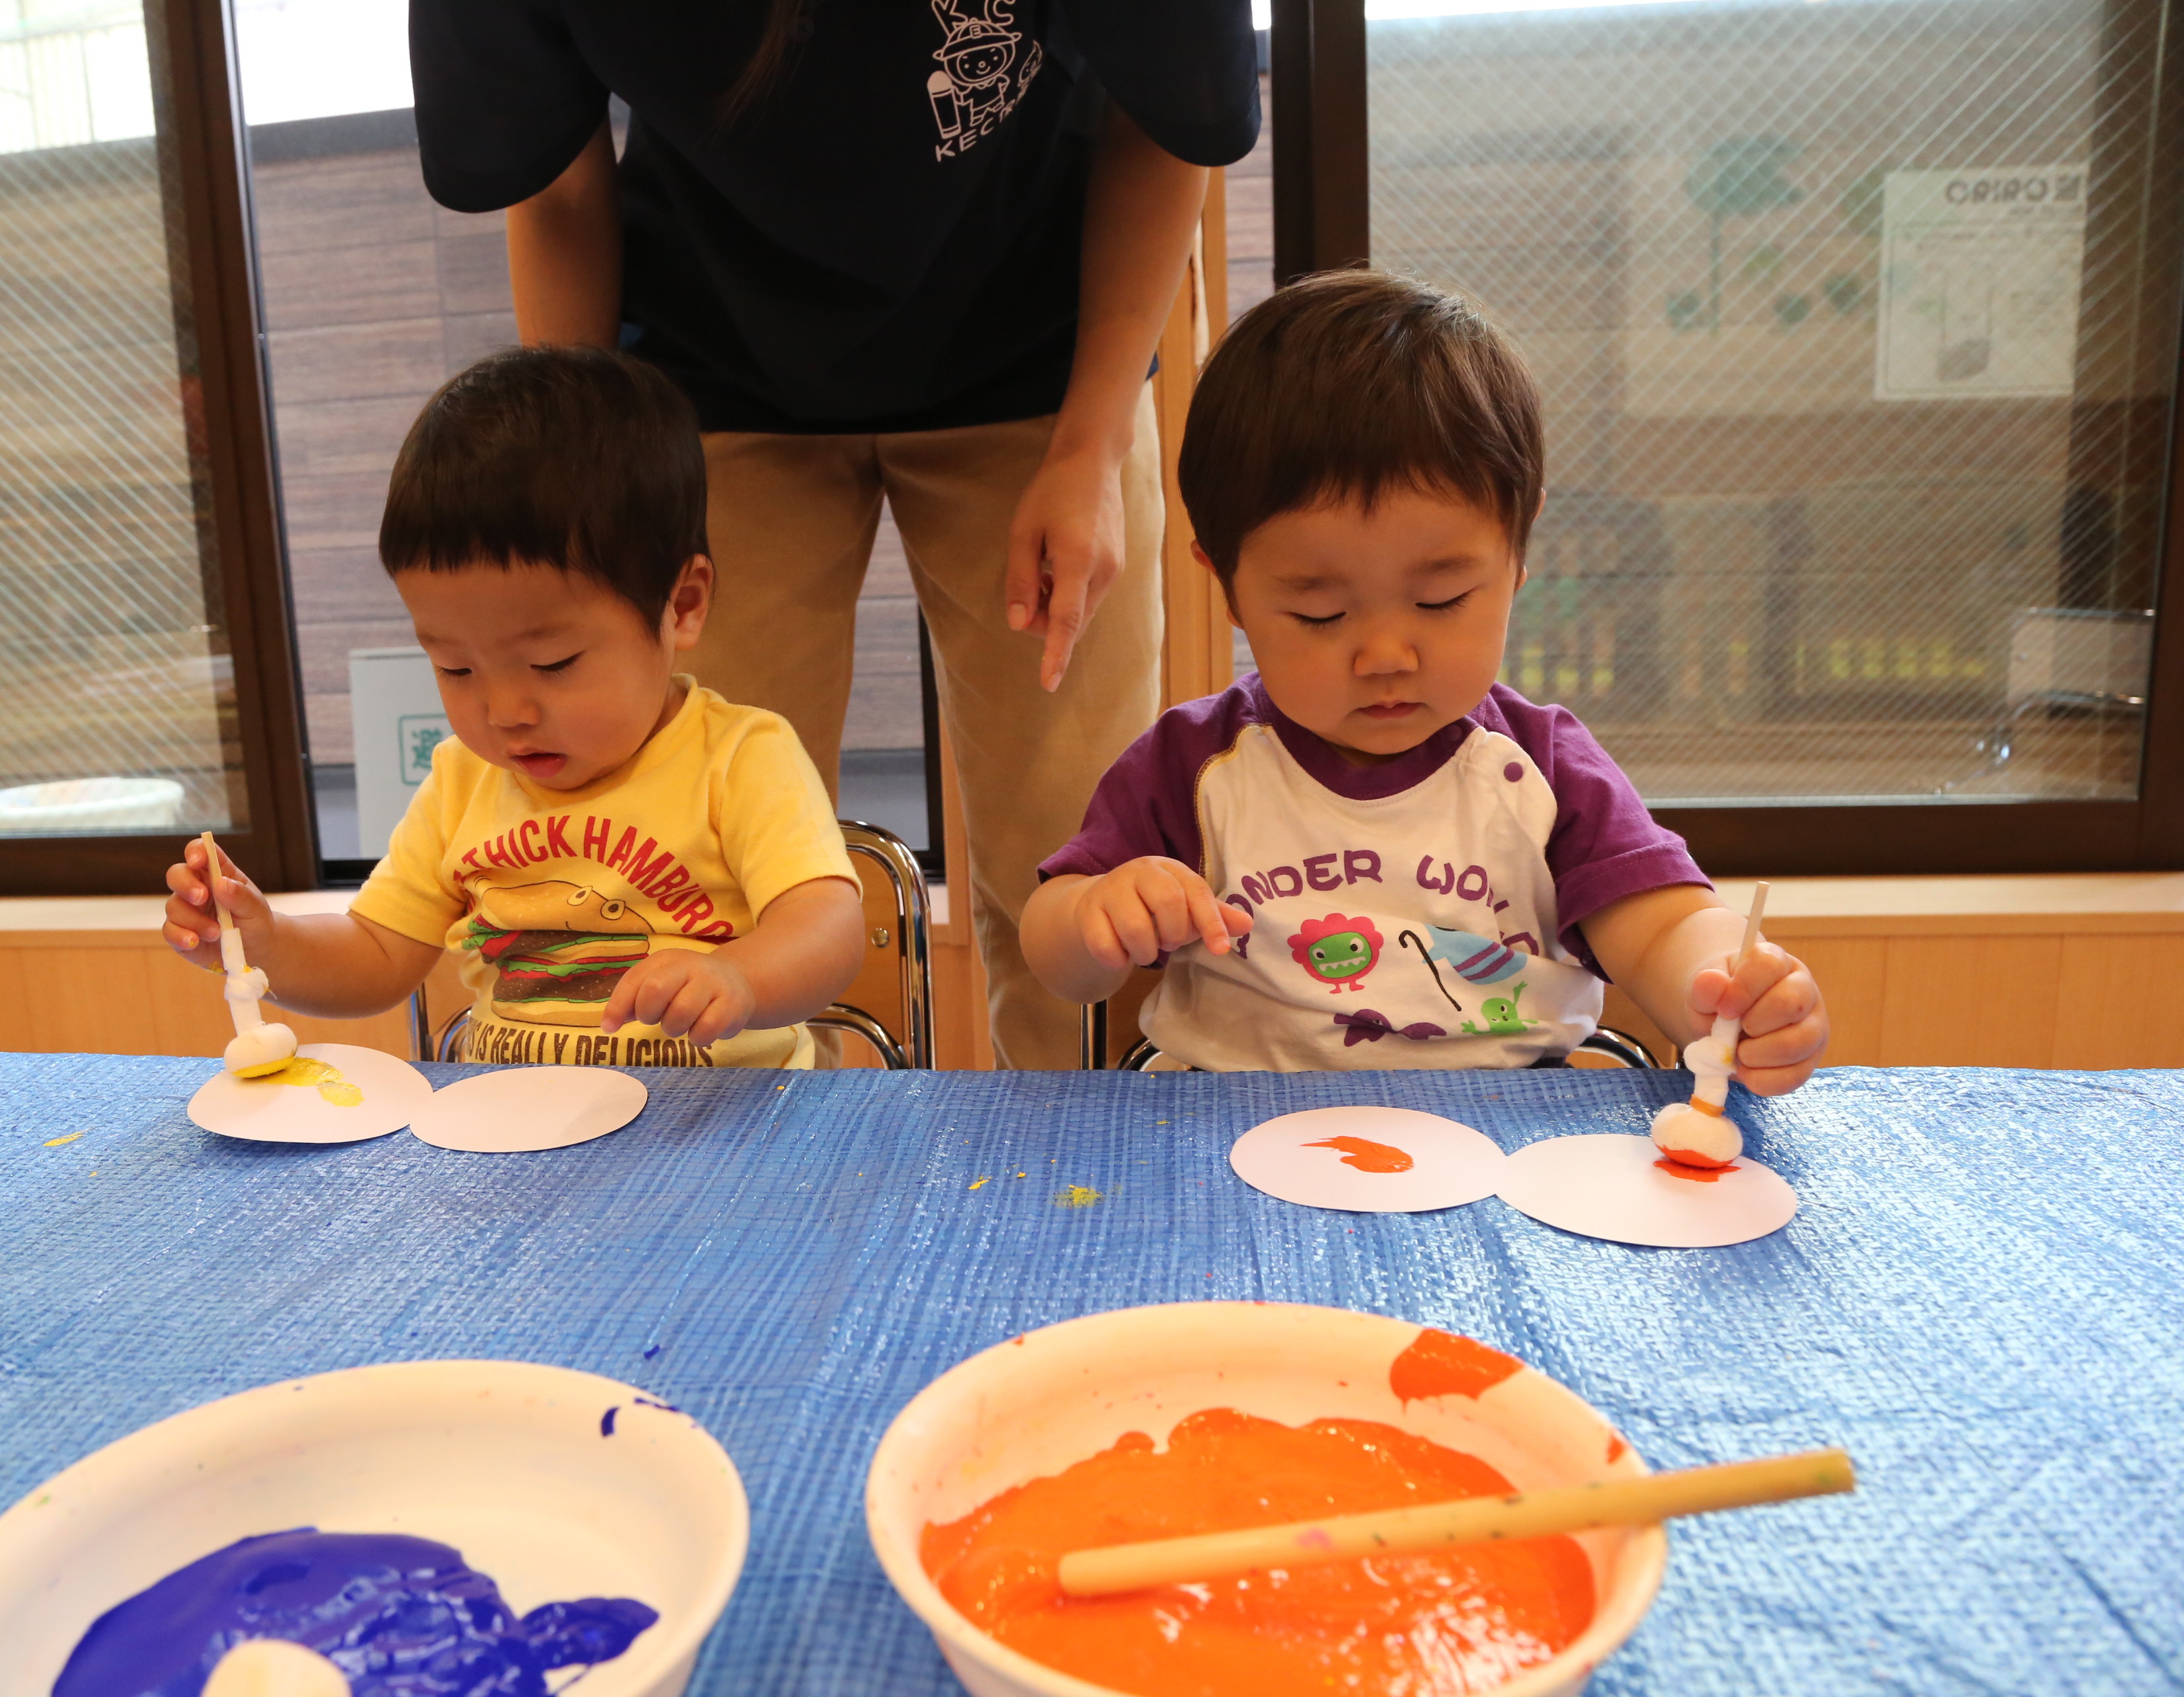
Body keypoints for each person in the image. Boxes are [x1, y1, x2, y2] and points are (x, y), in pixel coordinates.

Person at [408, 0, 1259, 1067]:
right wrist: (591, 493)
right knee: (688, 859)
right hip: (703, 368)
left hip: (1046, 352)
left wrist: (1090, 451)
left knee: (1074, 859)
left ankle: (1087, 1200)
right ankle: (716, 1207)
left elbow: (1170, 122)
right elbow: (558, 183)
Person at [1021, 272, 1832, 1084]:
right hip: (1231, 1130)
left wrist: (1729, 989)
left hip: (1507, 1129)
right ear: (1229, 586)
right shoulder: (1191, 764)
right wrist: (1097, 916)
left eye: (1441, 599)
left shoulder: (1541, 767)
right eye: (1320, 614)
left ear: (1518, 555)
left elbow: (1659, 930)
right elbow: (1057, 954)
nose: (1386, 655)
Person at [162, 347, 865, 1069]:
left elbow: (827, 924)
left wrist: (741, 975)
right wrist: (266, 941)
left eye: (552, 664)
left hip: (722, 1133)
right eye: (455, 667)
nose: (505, 711)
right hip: (520, 1136)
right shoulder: (463, 781)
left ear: (681, 606)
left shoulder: (741, 756)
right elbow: (377, 954)